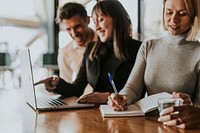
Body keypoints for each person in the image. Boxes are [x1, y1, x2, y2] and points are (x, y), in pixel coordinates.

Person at [35, 0, 141, 104]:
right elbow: (78, 88)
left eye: (101, 19)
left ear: (117, 18)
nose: (97, 27)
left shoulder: (139, 49)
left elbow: (136, 91)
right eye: (95, 22)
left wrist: (108, 97)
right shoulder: (92, 49)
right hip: (96, 115)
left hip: (127, 114)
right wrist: (56, 83)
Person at [108, 0, 200, 111]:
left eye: (182, 14)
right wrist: (121, 98)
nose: (174, 19)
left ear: (193, 15)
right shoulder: (148, 46)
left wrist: (189, 106)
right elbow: (132, 88)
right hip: (146, 122)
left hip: (180, 125)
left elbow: (198, 106)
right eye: (169, 12)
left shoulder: (197, 52)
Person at [56, 2, 97, 83]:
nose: (74, 34)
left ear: (87, 20)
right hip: (82, 95)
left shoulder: (104, 41)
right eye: (68, 29)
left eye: (77, 26)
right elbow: (66, 85)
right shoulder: (65, 52)